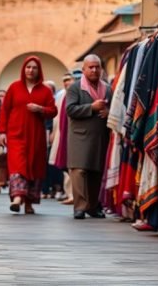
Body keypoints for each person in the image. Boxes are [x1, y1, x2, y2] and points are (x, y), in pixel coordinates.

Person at [0, 56, 58, 214]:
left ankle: (29, 203)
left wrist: (40, 109)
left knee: (33, 166)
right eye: (28, 67)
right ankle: (18, 197)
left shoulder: (45, 91)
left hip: (36, 137)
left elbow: (53, 111)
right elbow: (5, 110)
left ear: (39, 71)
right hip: (15, 135)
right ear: (23, 69)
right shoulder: (14, 88)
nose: (30, 70)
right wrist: (2, 132)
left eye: (34, 68)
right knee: (18, 165)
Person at [65, 55, 112, 219]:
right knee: (78, 171)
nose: (94, 70)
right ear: (83, 69)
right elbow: (70, 110)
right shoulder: (75, 88)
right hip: (79, 136)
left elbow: (114, 110)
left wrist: (108, 113)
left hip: (99, 136)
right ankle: (79, 207)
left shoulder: (107, 88)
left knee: (95, 172)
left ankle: (93, 206)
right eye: (90, 67)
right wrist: (91, 107)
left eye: (97, 67)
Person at [51, 73, 74, 203]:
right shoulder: (61, 96)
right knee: (64, 165)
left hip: (71, 133)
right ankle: (69, 193)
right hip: (60, 132)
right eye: (64, 80)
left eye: (69, 80)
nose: (67, 83)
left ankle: (73, 195)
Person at [42, 81, 64, 199]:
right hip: (42, 133)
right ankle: (45, 189)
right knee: (44, 164)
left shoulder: (56, 101)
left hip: (51, 133)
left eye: (49, 89)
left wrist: (51, 133)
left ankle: (57, 188)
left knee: (53, 164)